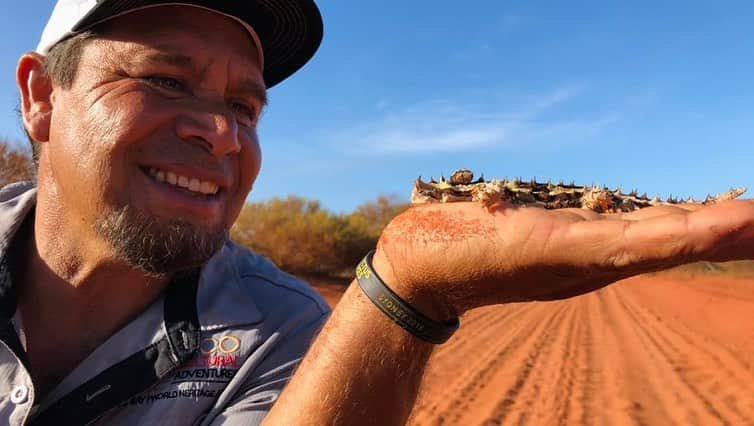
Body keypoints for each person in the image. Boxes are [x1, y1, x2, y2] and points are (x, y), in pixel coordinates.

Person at [3, 1, 754, 425]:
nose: (223, 132)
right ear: (40, 97)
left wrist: (401, 293)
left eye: (245, 105)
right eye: (166, 81)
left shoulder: (284, 332)